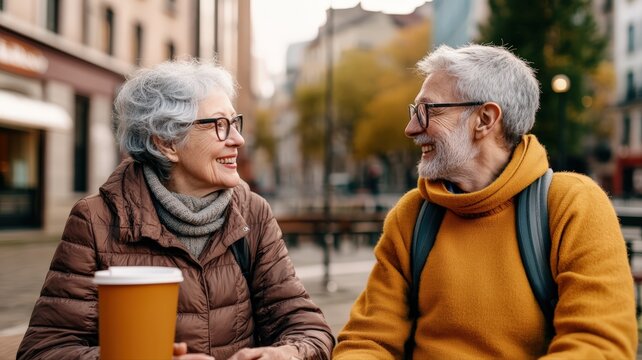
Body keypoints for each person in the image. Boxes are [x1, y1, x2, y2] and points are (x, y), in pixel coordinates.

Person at [333, 44, 638, 359]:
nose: (411, 129)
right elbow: (366, 342)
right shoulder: (412, 216)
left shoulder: (572, 205)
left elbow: (599, 346)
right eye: (414, 111)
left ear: (484, 119)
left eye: (428, 110)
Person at [17, 59, 334, 360]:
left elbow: (308, 328)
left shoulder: (252, 213)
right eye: (219, 125)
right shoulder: (95, 221)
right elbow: (43, 350)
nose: (237, 139)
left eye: (235, 123)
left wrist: (289, 352)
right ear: (165, 144)